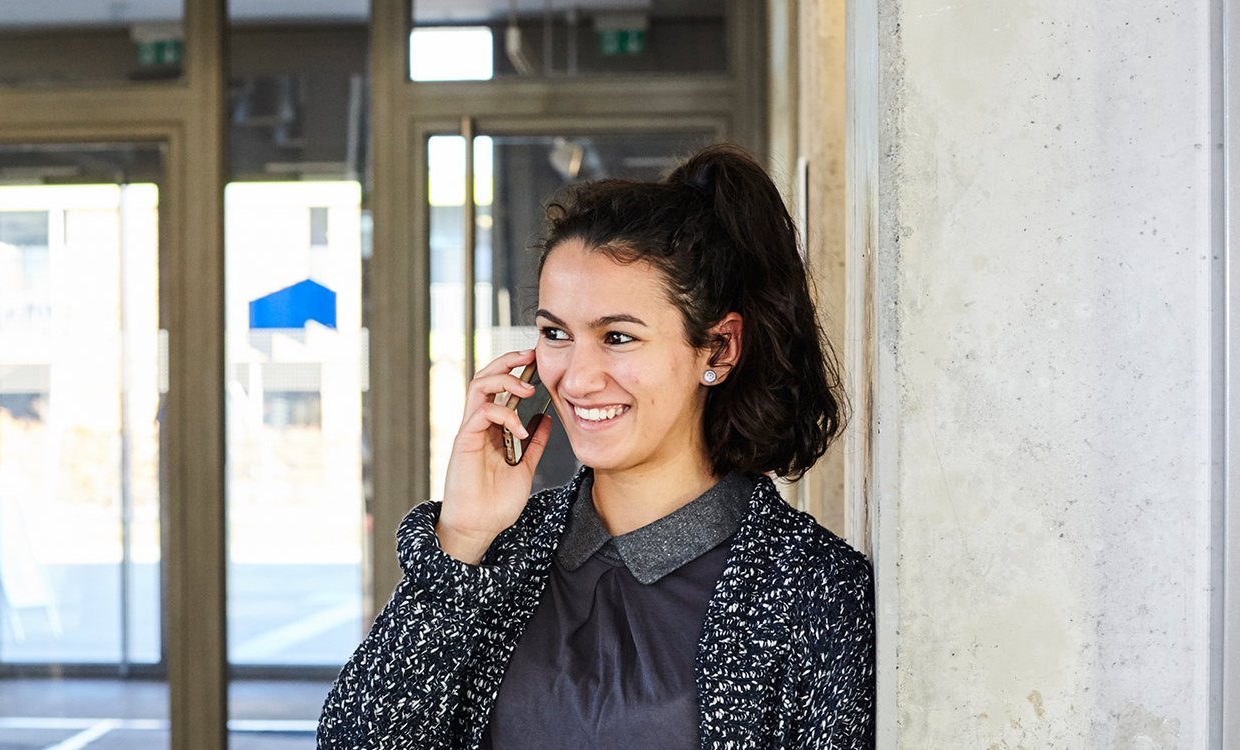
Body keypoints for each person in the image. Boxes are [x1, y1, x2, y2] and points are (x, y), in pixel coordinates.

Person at [318, 145, 873, 748]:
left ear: (717, 350)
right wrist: (461, 539)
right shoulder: (503, 554)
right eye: (555, 333)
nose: (576, 378)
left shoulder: (811, 587)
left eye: (617, 337)